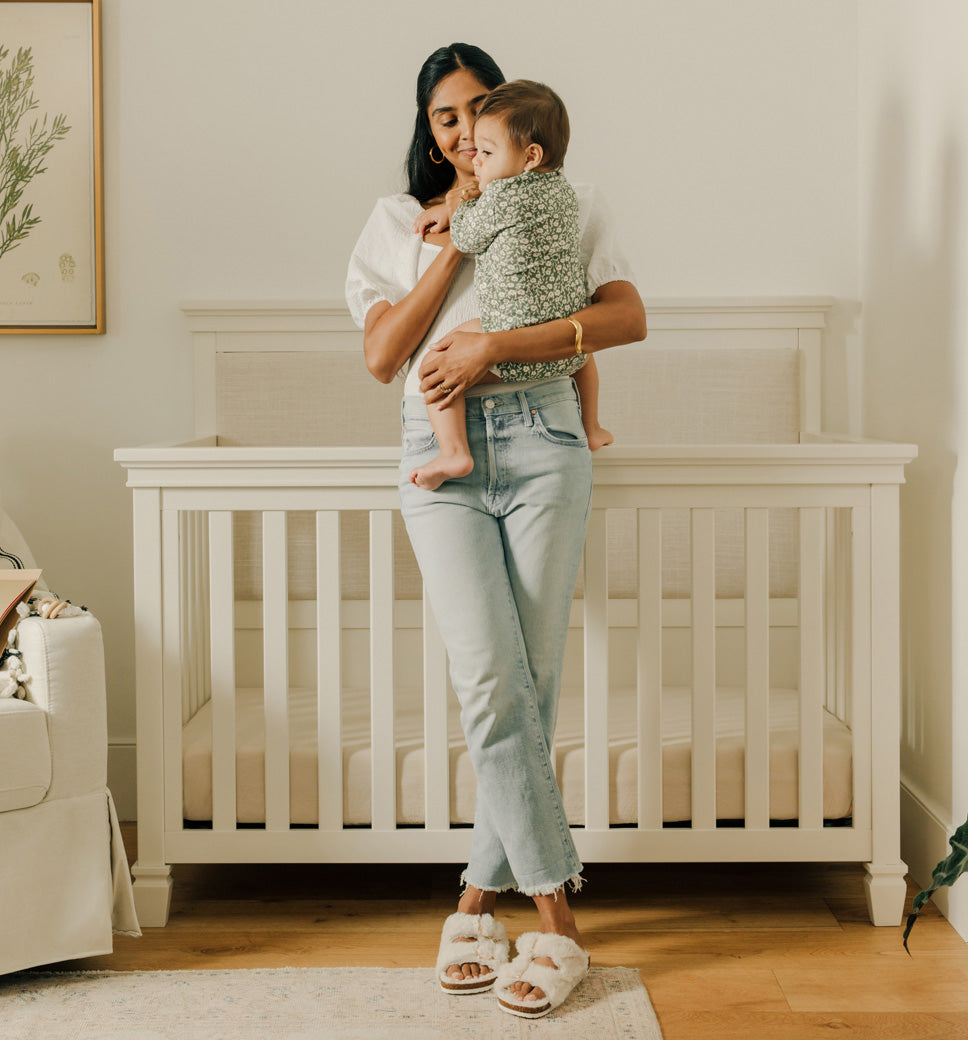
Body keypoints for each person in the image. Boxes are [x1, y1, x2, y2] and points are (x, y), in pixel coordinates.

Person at [345, 42, 646, 1019]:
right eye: (446, 117)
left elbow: (626, 317)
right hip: (439, 448)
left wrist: (496, 347)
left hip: (546, 435)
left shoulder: (564, 196)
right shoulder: (401, 219)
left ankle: (476, 900)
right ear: (429, 129)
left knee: (529, 681)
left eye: (479, 111)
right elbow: (384, 356)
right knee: (490, 676)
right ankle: (559, 920)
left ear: (510, 120)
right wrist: (455, 242)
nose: (464, 130)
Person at [406, 78, 612, 492]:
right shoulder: (563, 192)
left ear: (530, 156)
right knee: (583, 355)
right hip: (560, 325)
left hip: (511, 325)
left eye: (486, 152)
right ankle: (591, 425)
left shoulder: (500, 197)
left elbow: (467, 238)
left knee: (437, 361)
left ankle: (453, 452)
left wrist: (456, 207)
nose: (477, 160)